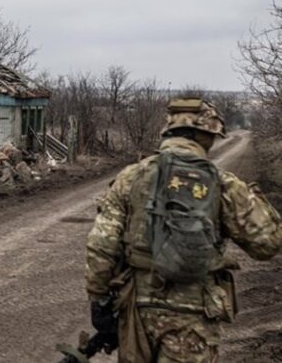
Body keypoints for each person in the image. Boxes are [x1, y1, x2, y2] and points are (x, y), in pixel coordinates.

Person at [85, 97, 282, 362]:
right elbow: (267, 243)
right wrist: (255, 198)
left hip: (138, 308)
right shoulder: (223, 183)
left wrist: (98, 300)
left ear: (168, 133)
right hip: (195, 312)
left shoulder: (130, 177)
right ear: (207, 137)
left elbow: (102, 243)